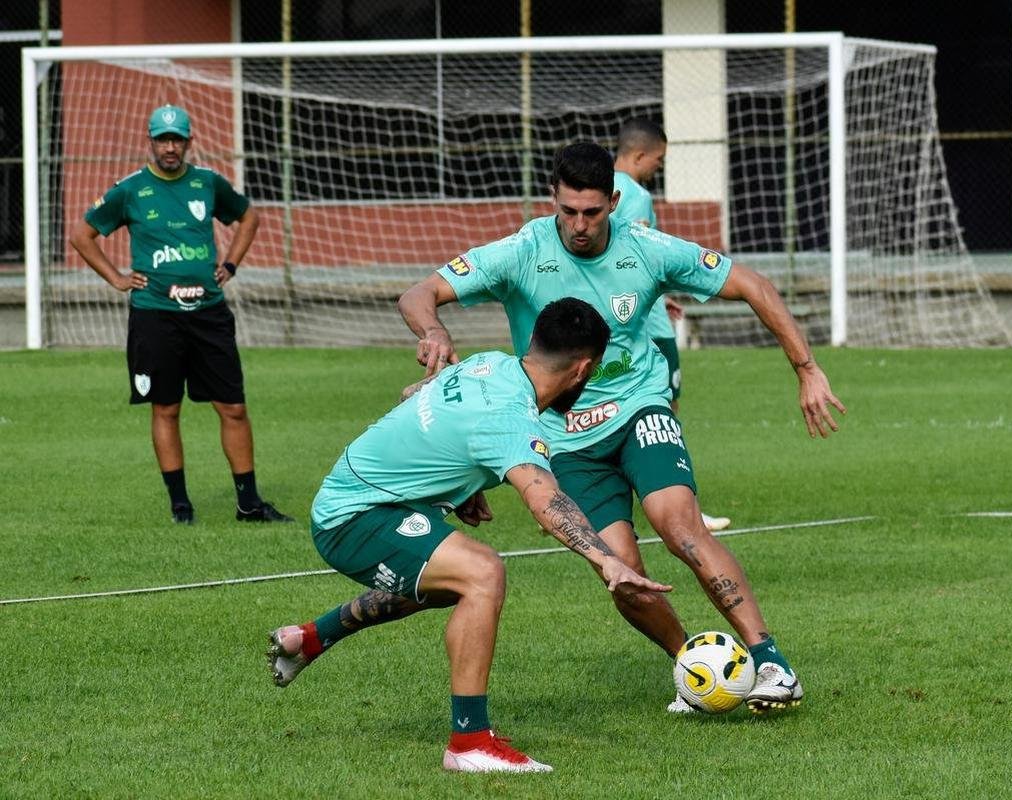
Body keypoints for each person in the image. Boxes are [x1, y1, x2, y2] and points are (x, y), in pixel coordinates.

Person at [399, 142, 846, 715]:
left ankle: (772, 662)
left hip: (641, 411)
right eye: (568, 211)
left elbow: (753, 285)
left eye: (592, 212)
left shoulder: (647, 250)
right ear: (552, 201)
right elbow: (419, 293)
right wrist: (432, 330)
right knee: (620, 570)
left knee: (679, 527)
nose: (579, 225)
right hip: (564, 439)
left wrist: (806, 369)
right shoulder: (521, 252)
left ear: (613, 201)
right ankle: (697, 668)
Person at [267, 298, 671, 774]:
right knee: (481, 573)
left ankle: (309, 639)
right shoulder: (511, 420)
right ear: (584, 368)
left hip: (369, 497)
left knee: (445, 582)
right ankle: (470, 742)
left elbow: (410, 394)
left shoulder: (491, 362)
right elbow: (545, 500)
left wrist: (460, 484)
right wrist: (609, 560)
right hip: (352, 516)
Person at [68, 105, 291, 525]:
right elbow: (82, 234)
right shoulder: (131, 190)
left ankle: (249, 504)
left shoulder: (208, 183)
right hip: (156, 317)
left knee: (234, 408)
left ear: (189, 142)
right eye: (162, 139)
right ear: (150, 142)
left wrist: (231, 265)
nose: (170, 147)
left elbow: (248, 217)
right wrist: (116, 277)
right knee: (166, 408)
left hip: (208, 314)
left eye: (177, 139)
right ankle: (180, 506)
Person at [611, 118, 730, 532]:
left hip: (621, 317)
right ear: (639, 155)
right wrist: (655, 298)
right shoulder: (637, 195)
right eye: (657, 160)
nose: (657, 168)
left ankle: (578, 497)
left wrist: (659, 292)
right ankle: (681, 504)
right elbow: (642, 254)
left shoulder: (598, 191)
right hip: (650, 329)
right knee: (663, 412)